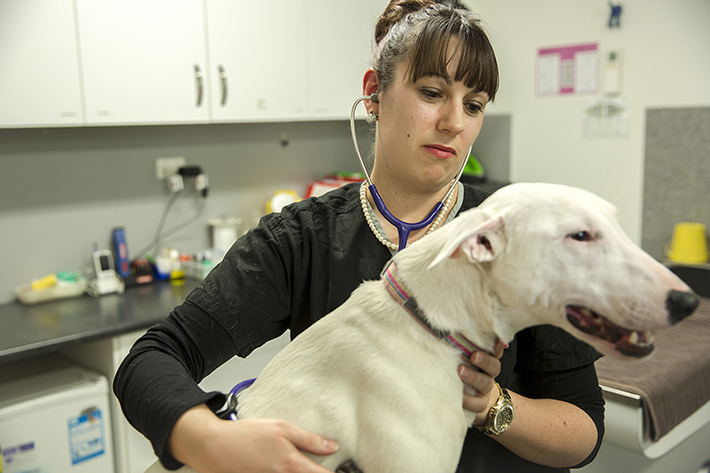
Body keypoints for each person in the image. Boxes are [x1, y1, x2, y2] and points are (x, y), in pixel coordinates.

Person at [114, 1, 605, 472]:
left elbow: (584, 432)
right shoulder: (301, 240)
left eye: (473, 104)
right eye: (432, 93)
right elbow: (151, 359)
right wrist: (215, 440)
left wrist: (490, 404)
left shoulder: (518, 237)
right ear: (374, 92)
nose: (454, 122)